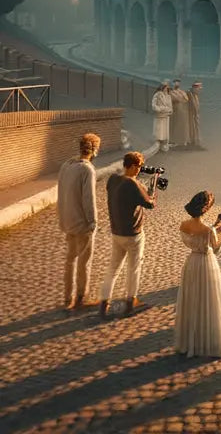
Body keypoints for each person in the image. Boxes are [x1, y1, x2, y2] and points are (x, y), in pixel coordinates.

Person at [174, 190, 221, 358]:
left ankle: (190, 339)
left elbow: (191, 239)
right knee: (208, 299)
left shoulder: (184, 225)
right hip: (207, 263)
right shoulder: (208, 229)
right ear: (206, 208)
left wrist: (214, 226)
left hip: (191, 262)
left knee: (192, 299)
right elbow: (215, 246)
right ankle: (208, 338)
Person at [99, 151, 157, 318]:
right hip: (133, 234)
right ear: (132, 166)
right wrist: (152, 190)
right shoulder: (133, 184)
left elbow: (129, 194)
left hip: (116, 232)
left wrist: (141, 185)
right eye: (138, 167)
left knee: (113, 269)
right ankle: (131, 303)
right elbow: (150, 203)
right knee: (133, 269)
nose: (140, 170)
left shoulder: (113, 180)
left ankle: (104, 304)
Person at [57, 132, 101, 310]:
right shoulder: (87, 169)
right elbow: (88, 200)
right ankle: (82, 298)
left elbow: (60, 193)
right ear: (95, 150)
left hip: (67, 220)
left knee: (70, 260)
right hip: (82, 224)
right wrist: (93, 222)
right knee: (84, 262)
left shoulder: (66, 165)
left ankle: (68, 298)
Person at [151, 83, 173, 152]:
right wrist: (161, 109)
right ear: (162, 87)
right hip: (160, 116)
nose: (166, 89)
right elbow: (154, 105)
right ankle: (158, 144)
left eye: (167, 88)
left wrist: (169, 110)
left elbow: (170, 106)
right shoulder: (157, 95)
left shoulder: (168, 96)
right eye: (165, 87)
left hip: (166, 116)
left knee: (165, 131)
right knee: (159, 131)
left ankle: (164, 145)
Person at [168, 79, 189, 149]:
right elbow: (175, 99)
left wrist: (181, 99)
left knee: (182, 126)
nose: (177, 84)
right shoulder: (171, 92)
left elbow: (186, 99)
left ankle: (183, 141)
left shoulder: (182, 92)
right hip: (175, 111)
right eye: (175, 83)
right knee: (174, 126)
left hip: (182, 111)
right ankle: (174, 141)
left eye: (178, 83)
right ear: (173, 84)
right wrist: (181, 99)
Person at [185, 82, 203, 149]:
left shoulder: (195, 95)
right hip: (191, 115)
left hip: (195, 115)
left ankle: (196, 142)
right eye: (198, 88)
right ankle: (192, 142)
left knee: (196, 128)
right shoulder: (189, 94)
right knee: (192, 128)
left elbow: (196, 106)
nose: (199, 90)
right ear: (195, 88)